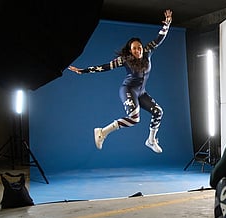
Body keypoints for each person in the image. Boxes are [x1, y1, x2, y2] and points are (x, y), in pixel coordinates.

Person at [68, 9, 173, 153]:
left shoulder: (148, 51)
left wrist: (166, 24)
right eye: (134, 49)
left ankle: (151, 140)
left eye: (139, 47)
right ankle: (102, 132)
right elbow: (104, 67)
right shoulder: (124, 60)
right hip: (128, 90)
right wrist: (83, 70)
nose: (138, 50)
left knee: (158, 112)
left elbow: (159, 38)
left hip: (141, 92)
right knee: (135, 119)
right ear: (130, 51)